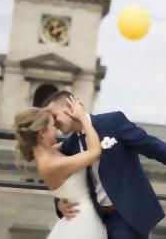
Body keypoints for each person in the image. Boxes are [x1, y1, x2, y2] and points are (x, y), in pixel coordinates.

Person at [43, 91, 166, 239]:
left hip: (128, 214)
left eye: (54, 115)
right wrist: (59, 203)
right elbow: (63, 177)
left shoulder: (113, 122)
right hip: (96, 219)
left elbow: (151, 145)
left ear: (72, 106)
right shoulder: (70, 144)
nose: (53, 122)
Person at [14, 96, 107, 239]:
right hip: (82, 219)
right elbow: (95, 151)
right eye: (53, 126)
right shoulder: (51, 164)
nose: (57, 128)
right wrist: (83, 118)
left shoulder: (47, 152)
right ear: (41, 132)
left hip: (79, 215)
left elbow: (74, 143)